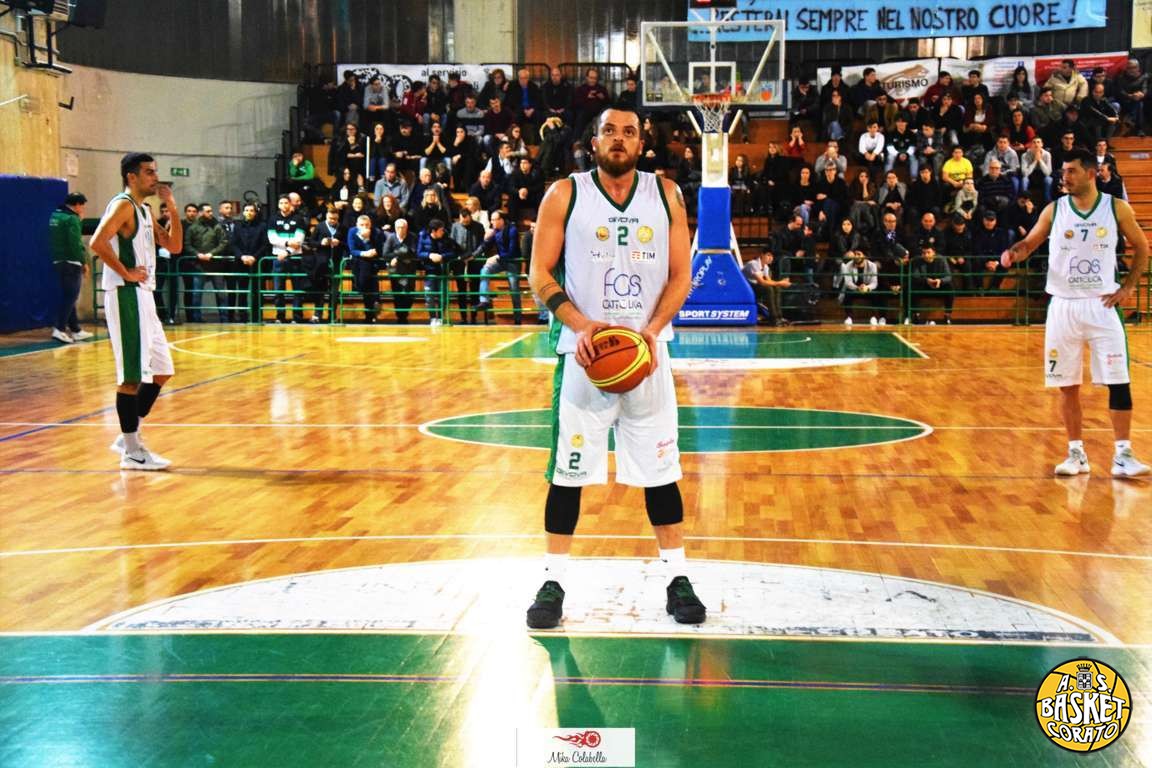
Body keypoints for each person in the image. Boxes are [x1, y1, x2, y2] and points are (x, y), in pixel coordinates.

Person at [524, 106, 704, 629]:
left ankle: (677, 577)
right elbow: (538, 273)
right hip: (585, 357)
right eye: (609, 131)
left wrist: (653, 330)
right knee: (568, 473)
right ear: (594, 140)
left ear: (642, 143)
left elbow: (681, 274)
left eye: (629, 132)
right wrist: (581, 326)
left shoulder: (666, 194)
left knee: (661, 471)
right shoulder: (565, 194)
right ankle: (552, 580)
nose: (618, 139)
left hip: (648, 355)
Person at [999, 148, 1149, 477]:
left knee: (1119, 381)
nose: (1064, 177)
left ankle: (1123, 455)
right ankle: (1076, 454)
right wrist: (1013, 253)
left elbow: (1142, 247)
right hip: (1063, 305)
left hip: (1102, 304)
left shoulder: (1116, 207)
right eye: (1063, 171)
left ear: (1091, 174)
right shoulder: (1055, 209)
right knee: (1067, 384)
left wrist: (1127, 287)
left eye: (1071, 171)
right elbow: (1030, 243)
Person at [89, 153, 183, 470]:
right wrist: (126, 272)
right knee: (131, 376)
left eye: (155, 172)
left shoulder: (144, 210)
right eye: (148, 172)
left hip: (145, 296)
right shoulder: (123, 205)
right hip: (127, 295)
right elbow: (98, 242)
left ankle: (127, 437)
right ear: (131, 176)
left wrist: (172, 208)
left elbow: (174, 246)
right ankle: (132, 451)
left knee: (161, 370)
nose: (155, 177)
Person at [48, 192, 94, 343]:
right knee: (70, 297)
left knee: (69, 295)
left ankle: (75, 329)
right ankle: (59, 328)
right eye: (83, 205)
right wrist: (84, 262)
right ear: (77, 205)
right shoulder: (72, 219)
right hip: (72, 262)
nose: (84, 209)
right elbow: (75, 243)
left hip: (58, 261)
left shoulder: (55, 216)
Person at [474, 210, 523, 322]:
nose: (492, 222)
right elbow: (486, 245)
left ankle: (518, 317)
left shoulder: (512, 230)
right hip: (501, 261)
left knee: (514, 288)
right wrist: (472, 255)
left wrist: (498, 256)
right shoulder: (496, 232)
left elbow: (512, 252)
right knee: (485, 270)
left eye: (494, 220)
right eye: (491, 220)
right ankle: (484, 300)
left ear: (502, 220)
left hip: (512, 262)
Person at [267, 195, 307, 323]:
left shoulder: (298, 219)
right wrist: (287, 243)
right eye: (281, 203)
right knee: (278, 289)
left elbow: (299, 240)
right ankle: (280, 316)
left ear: (290, 204)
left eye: (286, 203)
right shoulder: (273, 219)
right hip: (278, 258)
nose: (284, 205)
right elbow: (272, 238)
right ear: (278, 205)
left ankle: (297, 316)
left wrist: (288, 252)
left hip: (295, 257)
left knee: (297, 288)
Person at [742, 250, 791, 325]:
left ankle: (779, 316)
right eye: (768, 255)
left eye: (772, 256)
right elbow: (762, 282)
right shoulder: (753, 264)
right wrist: (780, 283)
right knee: (769, 289)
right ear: (762, 255)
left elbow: (769, 281)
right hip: (745, 288)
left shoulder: (765, 267)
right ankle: (773, 318)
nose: (771, 258)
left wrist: (781, 283)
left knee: (776, 288)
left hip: (753, 287)